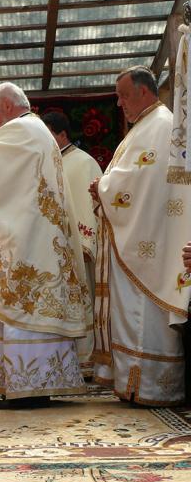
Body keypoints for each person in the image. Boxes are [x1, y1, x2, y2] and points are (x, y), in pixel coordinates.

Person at [0, 82, 90, 408]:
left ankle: (26, 388)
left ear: (7, 106)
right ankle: (31, 385)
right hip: (35, 237)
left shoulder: (20, 130)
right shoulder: (35, 130)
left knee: (20, 303)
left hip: (27, 243)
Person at [90, 66, 191, 407]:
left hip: (150, 243)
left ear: (144, 92)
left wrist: (103, 187)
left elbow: (141, 183)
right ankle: (135, 384)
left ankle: (149, 387)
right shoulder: (147, 126)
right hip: (145, 236)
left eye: (123, 95)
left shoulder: (160, 125)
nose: (119, 104)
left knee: (144, 315)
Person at [42, 111, 102, 377]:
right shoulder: (49, 161)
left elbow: (91, 206)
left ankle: (86, 362)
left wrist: (86, 244)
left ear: (62, 133)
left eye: (48, 135)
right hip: (52, 250)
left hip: (79, 251)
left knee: (82, 303)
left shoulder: (83, 162)